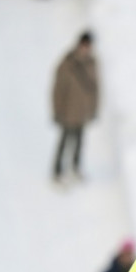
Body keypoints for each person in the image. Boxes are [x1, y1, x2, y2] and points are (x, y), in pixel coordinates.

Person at [52, 32, 99, 180]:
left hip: (82, 112)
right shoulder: (68, 62)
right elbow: (58, 89)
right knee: (64, 141)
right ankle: (57, 170)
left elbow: (95, 89)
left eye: (88, 45)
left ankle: (75, 167)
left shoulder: (92, 63)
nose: (86, 48)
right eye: (84, 44)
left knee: (79, 142)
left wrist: (93, 109)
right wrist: (57, 110)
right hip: (67, 111)